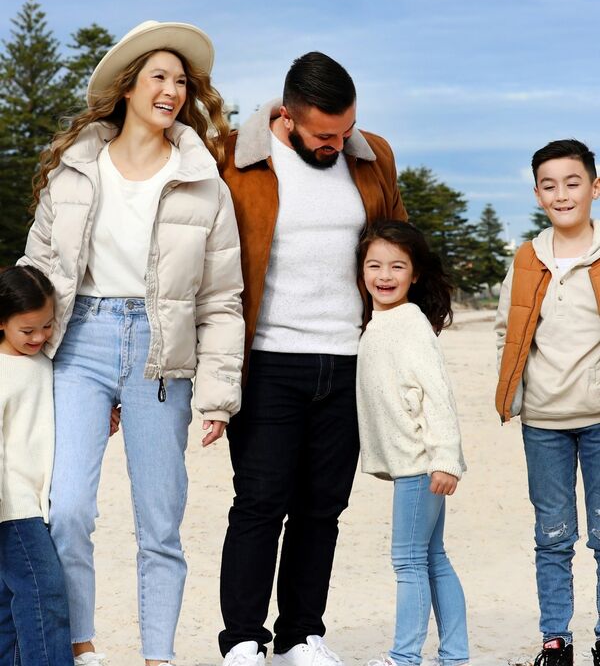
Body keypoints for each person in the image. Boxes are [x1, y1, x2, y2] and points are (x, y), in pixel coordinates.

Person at [21, 20, 245, 666]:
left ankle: (157, 657)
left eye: (181, 81)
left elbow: (221, 299)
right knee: (65, 509)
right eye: (159, 77)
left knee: (159, 524)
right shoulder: (74, 167)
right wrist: (18, 351)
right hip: (78, 342)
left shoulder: (205, 182)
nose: (172, 90)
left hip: (161, 353)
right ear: (127, 87)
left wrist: (217, 397)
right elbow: (37, 269)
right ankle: (82, 647)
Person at [218, 51, 407, 666]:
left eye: (345, 129)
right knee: (260, 503)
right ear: (288, 116)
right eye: (324, 134)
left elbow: (401, 245)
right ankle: (244, 639)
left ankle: (301, 635)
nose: (337, 142)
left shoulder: (371, 154)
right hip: (270, 359)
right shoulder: (237, 159)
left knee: (323, 508)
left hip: (349, 360)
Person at [495, 139, 600, 666]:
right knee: (553, 537)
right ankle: (555, 640)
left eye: (573, 182)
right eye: (549, 185)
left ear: (595, 187)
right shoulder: (526, 259)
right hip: (543, 423)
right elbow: (507, 331)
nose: (562, 194)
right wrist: (513, 391)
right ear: (538, 194)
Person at [356, 219, 468, 666]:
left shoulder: (409, 323)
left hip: (420, 463)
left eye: (397, 266)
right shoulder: (379, 322)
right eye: (374, 265)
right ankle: (455, 656)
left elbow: (438, 394)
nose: (384, 276)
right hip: (415, 461)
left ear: (415, 273)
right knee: (433, 557)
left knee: (407, 561)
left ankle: (404, 658)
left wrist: (444, 459)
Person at [0, 265, 73, 666]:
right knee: (44, 593)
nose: (40, 337)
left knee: (10, 607)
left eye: (47, 326)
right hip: (13, 505)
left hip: (38, 501)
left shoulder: (44, 362)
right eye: (27, 331)